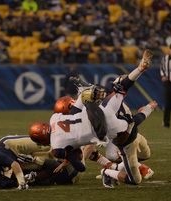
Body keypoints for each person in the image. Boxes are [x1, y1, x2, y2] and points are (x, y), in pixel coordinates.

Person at [29, 49, 154, 187]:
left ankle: (147, 111)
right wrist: (87, 94)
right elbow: (75, 110)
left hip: (103, 130)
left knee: (130, 125)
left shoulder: (56, 147)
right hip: (100, 112)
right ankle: (140, 69)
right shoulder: (55, 118)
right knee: (121, 88)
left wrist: (67, 159)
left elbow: (81, 166)